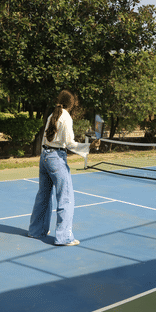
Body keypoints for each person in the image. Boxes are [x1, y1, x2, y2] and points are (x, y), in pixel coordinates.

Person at [28, 90, 92, 246]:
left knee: (43, 195)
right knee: (66, 197)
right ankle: (64, 237)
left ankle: (36, 231)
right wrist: (87, 147)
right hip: (56, 158)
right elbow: (69, 143)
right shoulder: (66, 117)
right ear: (71, 104)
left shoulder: (53, 115)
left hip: (44, 157)